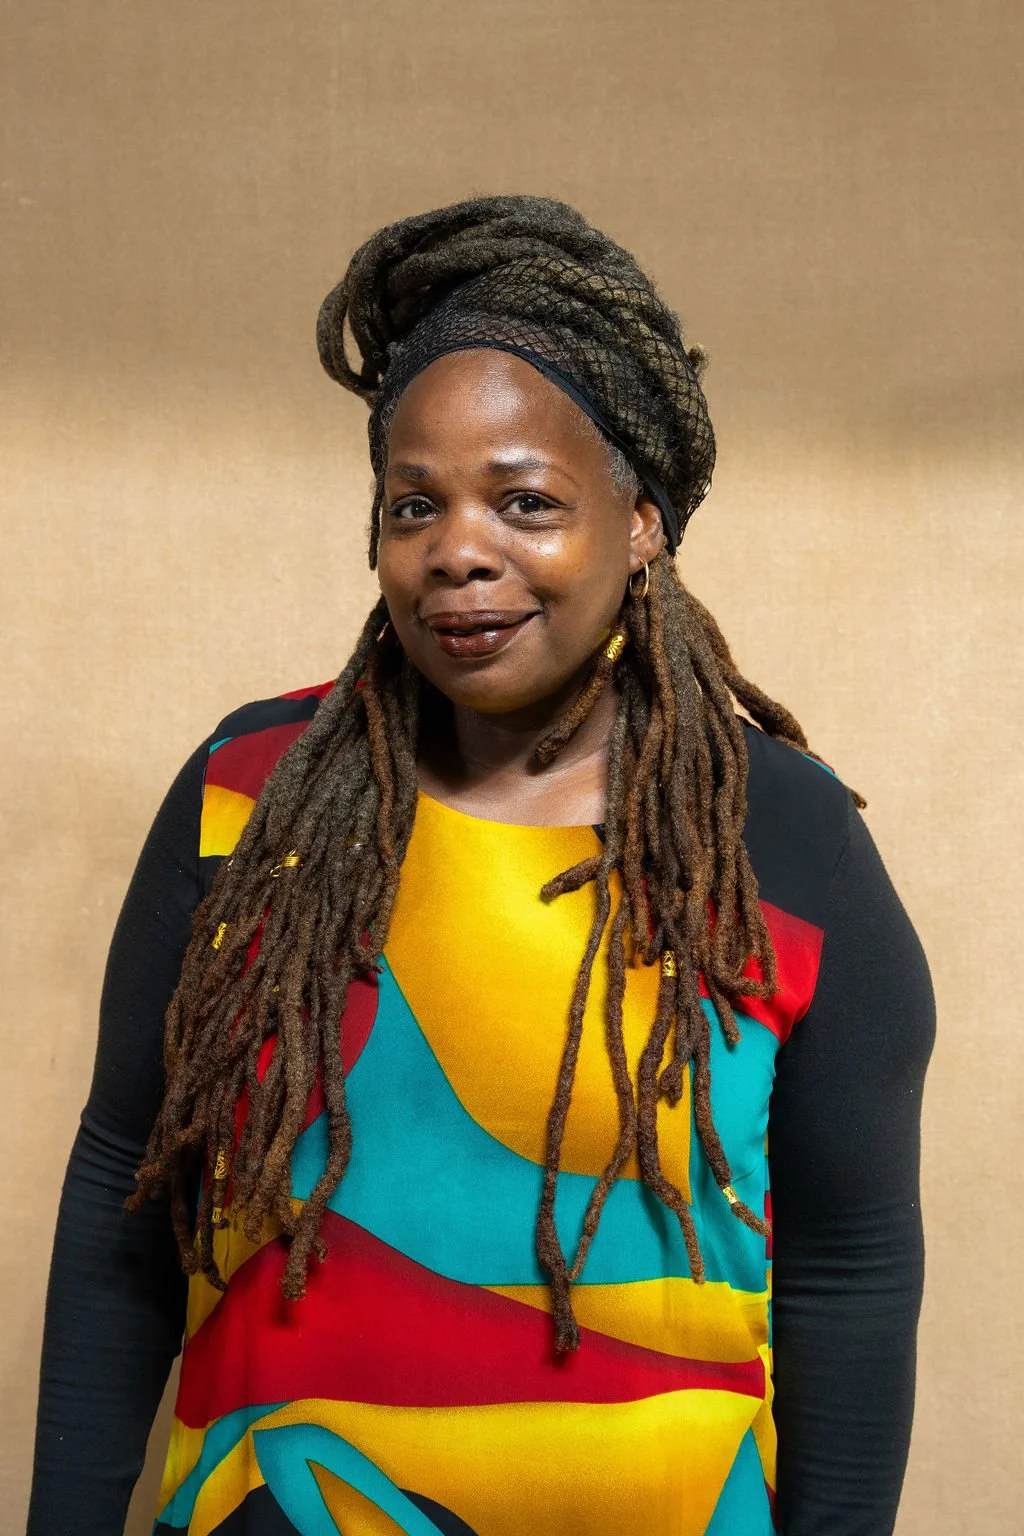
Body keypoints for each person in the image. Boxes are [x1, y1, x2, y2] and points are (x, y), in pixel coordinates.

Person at [27, 195, 936, 1536]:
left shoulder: (777, 835)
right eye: (415, 503)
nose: (458, 547)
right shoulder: (253, 797)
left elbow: (850, 1270)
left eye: (526, 500)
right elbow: (126, 1185)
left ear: (640, 525)